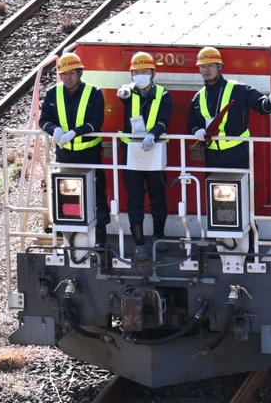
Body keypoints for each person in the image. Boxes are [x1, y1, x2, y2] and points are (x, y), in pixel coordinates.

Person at [38, 52, 108, 239]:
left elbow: (96, 122)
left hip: (90, 156)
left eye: (71, 73)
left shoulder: (94, 93)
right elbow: (43, 120)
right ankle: (70, 239)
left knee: (96, 196)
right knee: (67, 198)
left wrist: (73, 133)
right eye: (63, 74)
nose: (67, 77)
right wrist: (54, 129)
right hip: (65, 157)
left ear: (79, 73)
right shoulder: (53, 93)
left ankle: (101, 241)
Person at [188, 46, 271, 171]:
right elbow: (192, 124)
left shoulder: (238, 89)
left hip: (238, 154)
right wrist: (197, 130)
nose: (206, 70)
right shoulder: (198, 98)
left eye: (210, 66)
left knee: (244, 189)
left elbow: (262, 107)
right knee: (214, 190)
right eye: (202, 67)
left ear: (219, 67)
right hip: (213, 157)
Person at [117, 51, 172, 261]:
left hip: (155, 150)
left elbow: (164, 120)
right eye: (137, 72)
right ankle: (139, 243)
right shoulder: (128, 93)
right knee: (135, 200)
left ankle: (159, 235)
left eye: (144, 71)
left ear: (153, 73)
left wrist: (153, 135)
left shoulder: (163, 94)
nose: (141, 75)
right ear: (131, 74)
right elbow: (121, 96)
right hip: (132, 153)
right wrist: (122, 93)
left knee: (158, 196)